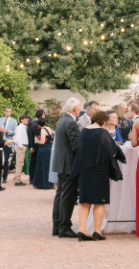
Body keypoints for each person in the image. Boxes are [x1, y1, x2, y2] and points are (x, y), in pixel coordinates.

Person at [68, 108, 123, 239]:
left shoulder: (84, 131)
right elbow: (112, 151)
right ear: (104, 121)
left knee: (84, 202)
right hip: (99, 172)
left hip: (84, 171)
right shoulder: (103, 133)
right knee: (99, 202)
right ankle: (97, 231)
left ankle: (82, 230)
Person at [50, 97, 83, 237]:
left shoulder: (62, 121)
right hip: (68, 164)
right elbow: (76, 146)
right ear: (75, 108)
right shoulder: (71, 123)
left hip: (61, 163)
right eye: (79, 107)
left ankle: (57, 225)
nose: (80, 109)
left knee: (60, 194)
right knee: (68, 196)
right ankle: (64, 227)